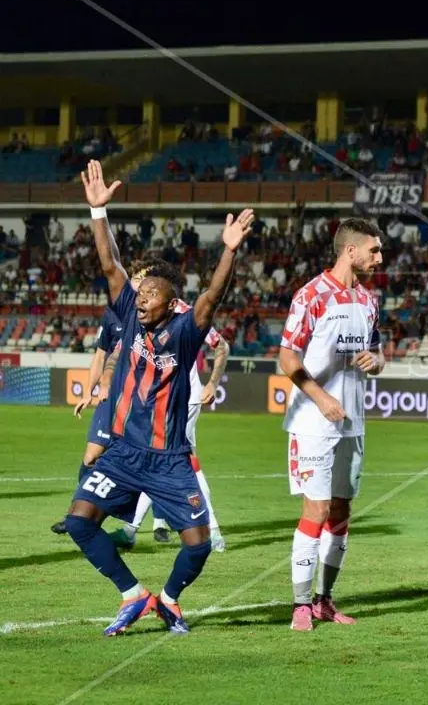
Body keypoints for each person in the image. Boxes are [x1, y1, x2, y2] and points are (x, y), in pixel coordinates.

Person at [65, 159, 251, 636]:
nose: (141, 295)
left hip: (169, 459)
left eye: (151, 293)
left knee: (198, 544)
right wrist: (97, 213)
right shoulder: (126, 311)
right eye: (141, 289)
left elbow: (211, 298)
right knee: (80, 522)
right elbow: (110, 264)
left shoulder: (186, 333)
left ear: (171, 304)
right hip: (124, 451)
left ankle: (169, 601)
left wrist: (228, 252)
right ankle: (133, 596)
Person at [279, 217, 385, 632]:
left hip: (353, 422)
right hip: (312, 421)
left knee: (341, 509)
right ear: (350, 251)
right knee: (317, 509)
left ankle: (324, 599)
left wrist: (375, 362)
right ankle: (300, 604)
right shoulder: (312, 295)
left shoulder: (369, 301)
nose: (379, 258)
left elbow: (377, 354)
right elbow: (288, 358)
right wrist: (322, 398)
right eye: (374, 250)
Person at [110, 258, 231, 552]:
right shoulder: (141, 316)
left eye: (145, 282)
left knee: (170, 461)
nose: (139, 286)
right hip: (155, 401)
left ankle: (210, 529)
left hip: (181, 400)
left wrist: (213, 382)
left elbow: (222, 345)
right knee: (158, 460)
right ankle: (134, 528)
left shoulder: (185, 313)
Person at [51, 302, 124, 536]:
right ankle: (76, 514)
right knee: (91, 456)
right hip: (108, 396)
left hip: (134, 397)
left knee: (132, 463)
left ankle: (152, 523)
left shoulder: (150, 315)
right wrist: (88, 391)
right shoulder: (112, 314)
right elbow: (101, 355)